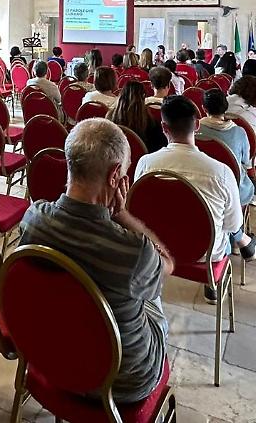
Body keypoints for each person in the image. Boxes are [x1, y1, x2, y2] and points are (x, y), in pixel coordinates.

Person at [18, 118, 173, 404]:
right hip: (122, 382)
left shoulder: (33, 219)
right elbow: (168, 264)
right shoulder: (133, 251)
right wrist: (122, 216)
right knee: (152, 292)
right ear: (115, 176)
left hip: (53, 359)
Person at [135, 95, 256, 302]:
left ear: (164, 128)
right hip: (206, 256)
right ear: (197, 124)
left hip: (157, 248)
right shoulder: (221, 172)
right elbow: (233, 224)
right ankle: (213, 284)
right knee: (226, 227)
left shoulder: (145, 163)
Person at [198, 90, 255, 206]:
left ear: (203, 108)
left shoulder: (194, 130)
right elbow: (246, 160)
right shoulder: (239, 132)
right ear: (226, 107)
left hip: (202, 188)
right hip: (233, 190)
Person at [107, 81, 165, 153]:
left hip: (116, 155)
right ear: (143, 97)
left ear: (121, 95)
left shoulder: (111, 117)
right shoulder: (151, 123)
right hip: (143, 158)